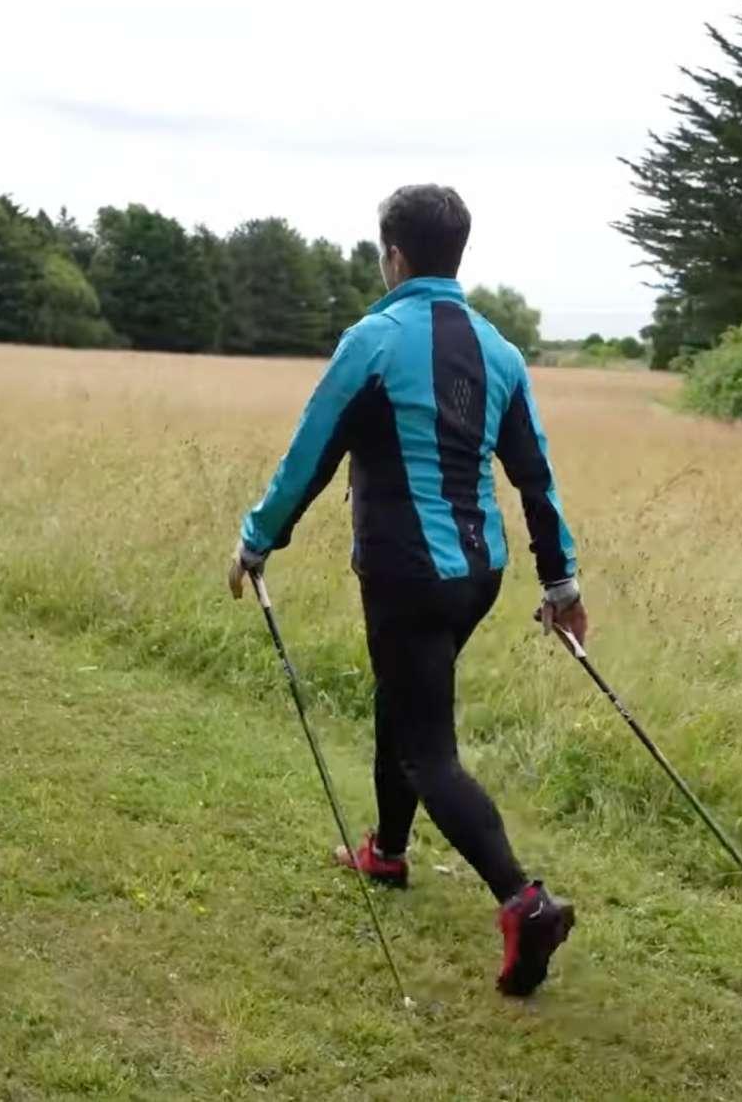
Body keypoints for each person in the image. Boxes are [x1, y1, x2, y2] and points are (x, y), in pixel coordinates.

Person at [227, 184, 584, 996]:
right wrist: (560, 580)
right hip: (479, 576)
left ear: (394, 255)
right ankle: (386, 852)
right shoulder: (501, 350)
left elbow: (308, 454)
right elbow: (537, 478)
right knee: (405, 698)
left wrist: (256, 539)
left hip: (405, 574)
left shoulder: (374, 339)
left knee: (428, 750)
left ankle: (524, 901)